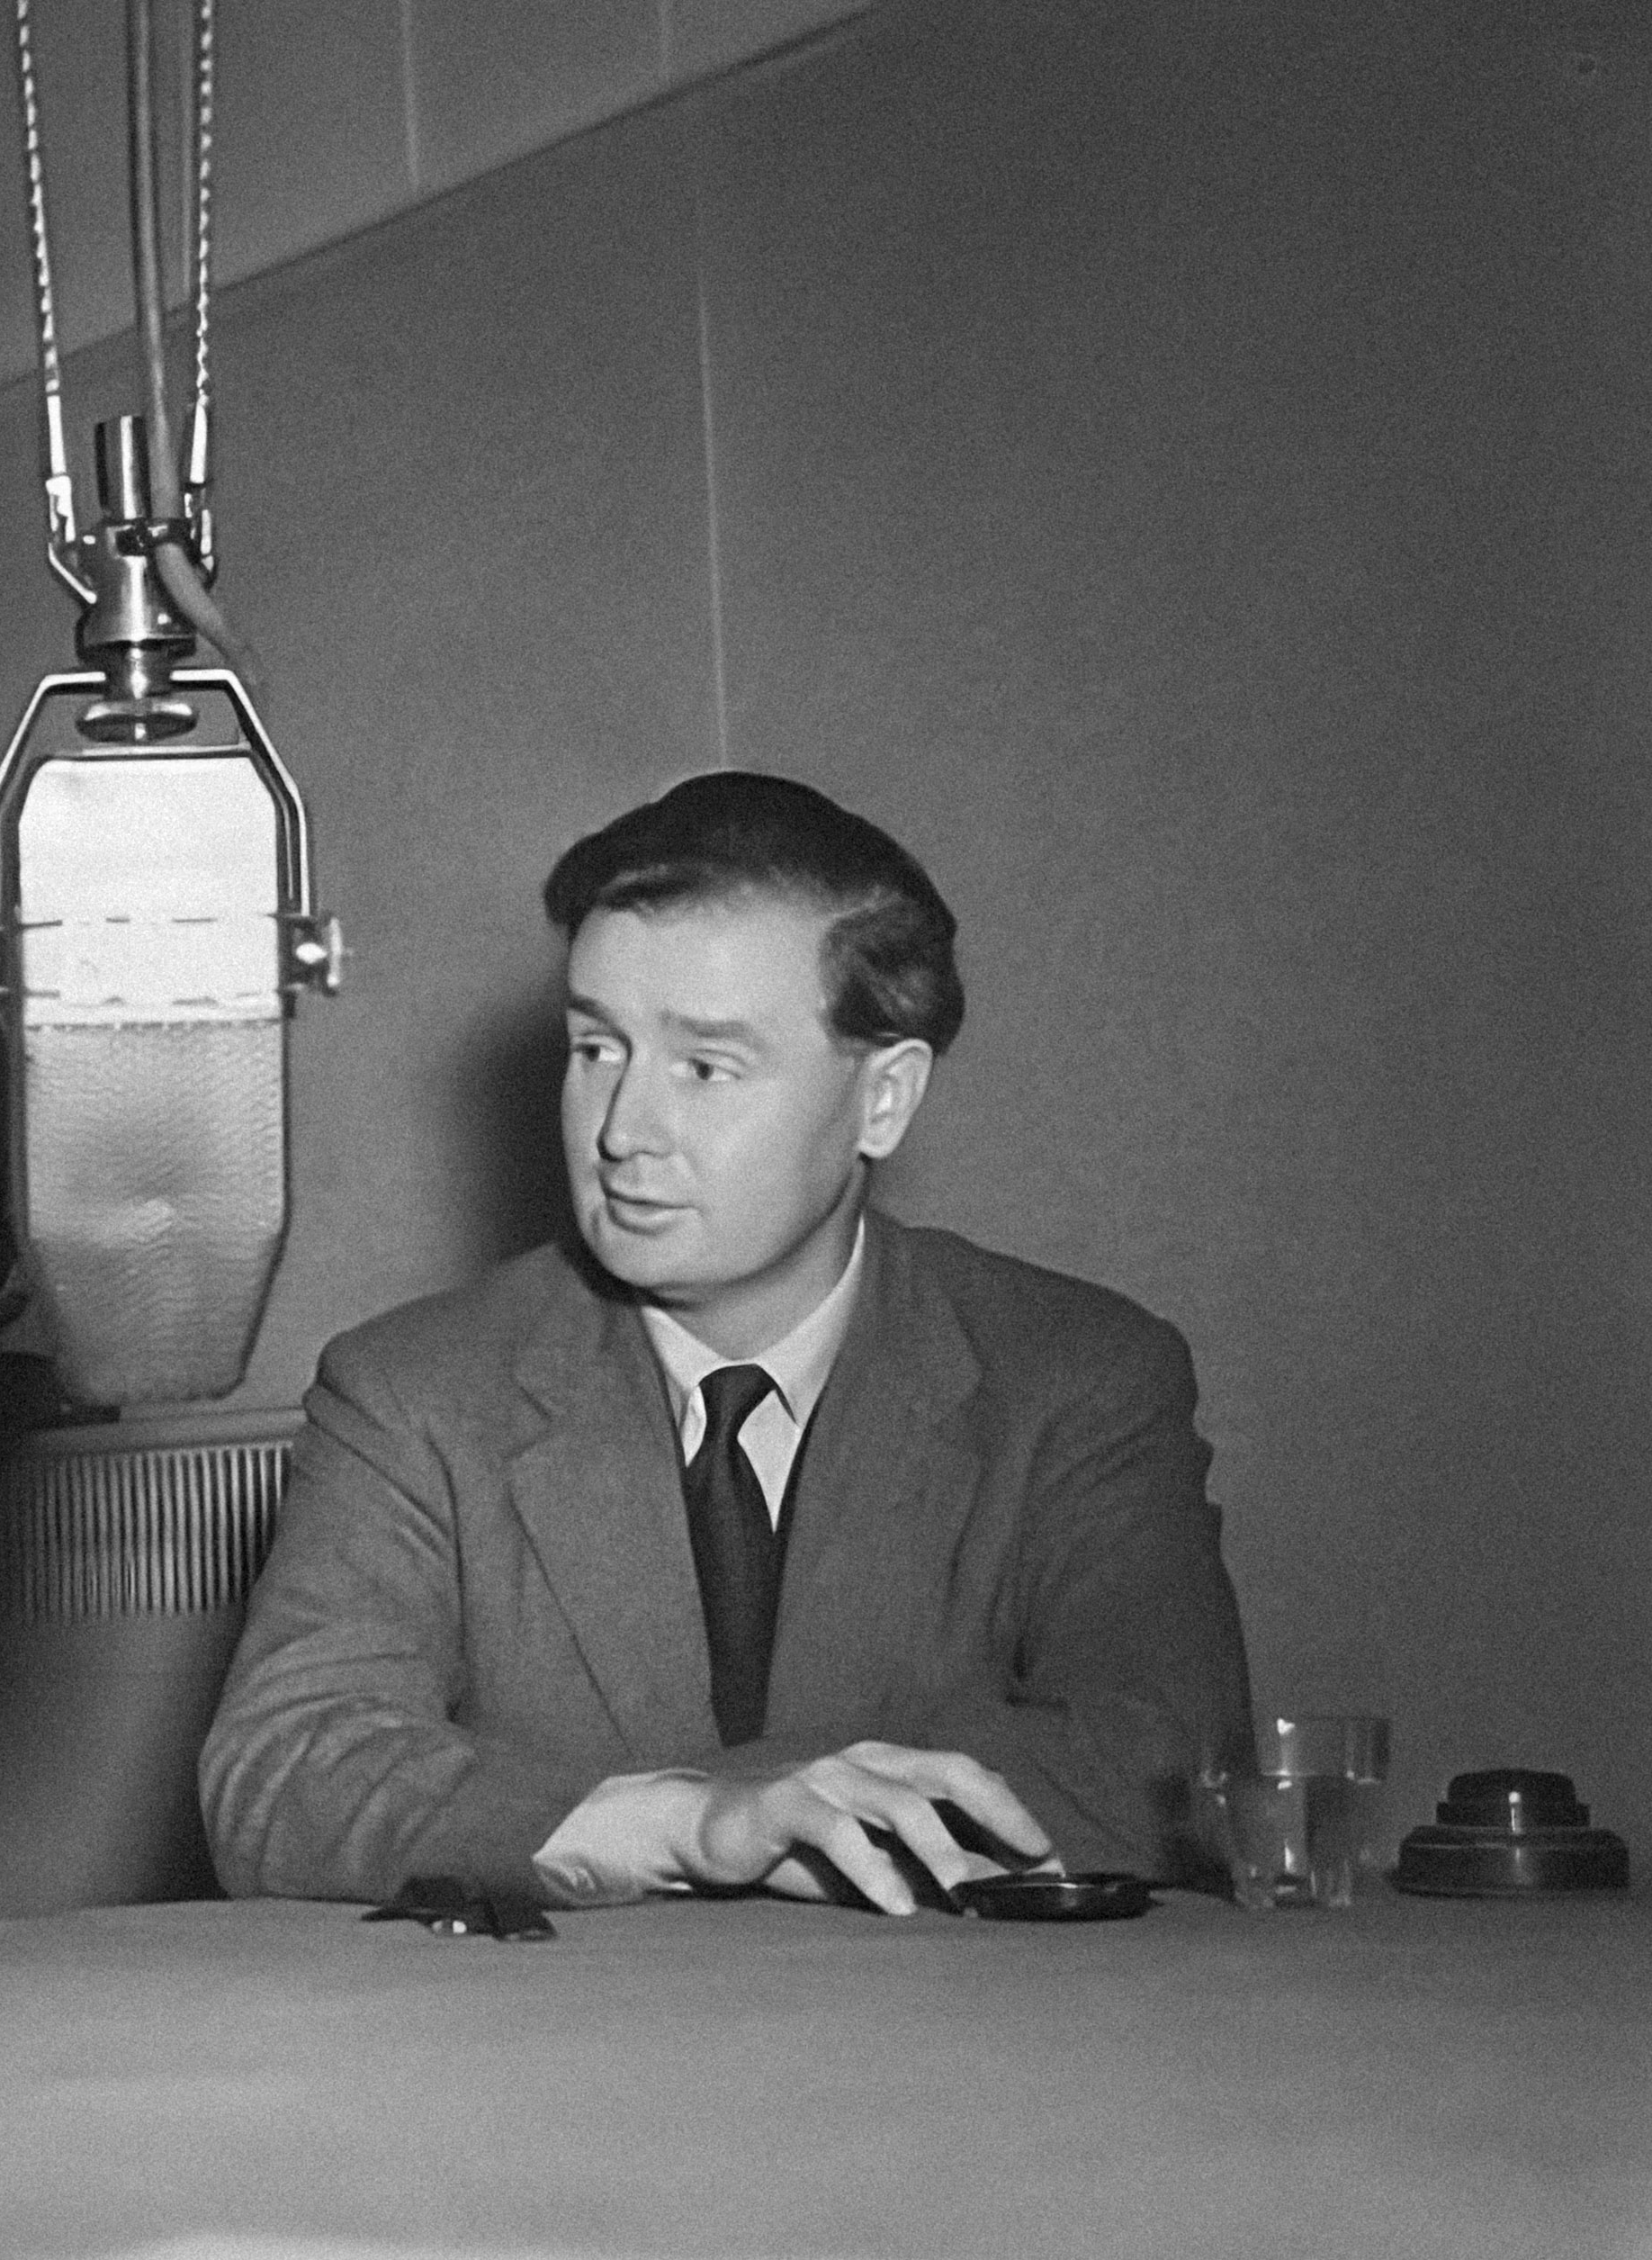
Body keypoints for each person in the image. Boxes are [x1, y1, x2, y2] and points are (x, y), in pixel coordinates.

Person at [201, 771, 1251, 1915]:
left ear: (883, 1100)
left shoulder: (1077, 1378)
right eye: (596, 1049)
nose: (622, 1131)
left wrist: (729, 1805)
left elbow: (1167, 1766)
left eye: (705, 1067)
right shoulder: (412, 1390)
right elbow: (283, 1777)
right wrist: (700, 1825)